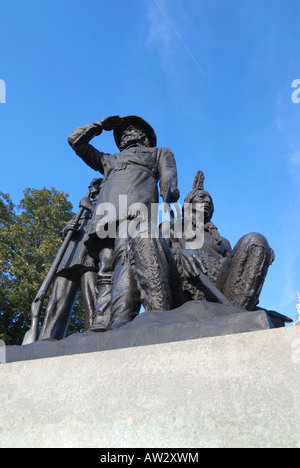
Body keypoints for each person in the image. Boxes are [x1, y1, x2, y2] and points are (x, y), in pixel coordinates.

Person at [67, 115, 180, 330]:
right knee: (105, 268)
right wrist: (99, 126)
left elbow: (168, 177)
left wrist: (169, 189)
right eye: (122, 132)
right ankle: (101, 319)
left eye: (132, 130)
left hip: (135, 213)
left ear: (145, 137)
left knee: (126, 259)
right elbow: (75, 141)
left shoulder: (158, 152)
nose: (126, 133)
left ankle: (121, 317)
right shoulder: (109, 160)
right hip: (106, 218)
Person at [39, 178, 102, 340]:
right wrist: (66, 229)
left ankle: (94, 335)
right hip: (69, 255)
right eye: (89, 185)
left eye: (94, 184)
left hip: (90, 256)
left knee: (92, 298)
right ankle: (47, 338)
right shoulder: (82, 209)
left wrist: (91, 208)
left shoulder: (105, 203)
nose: (90, 187)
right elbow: (69, 228)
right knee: (57, 300)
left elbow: (108, 226)